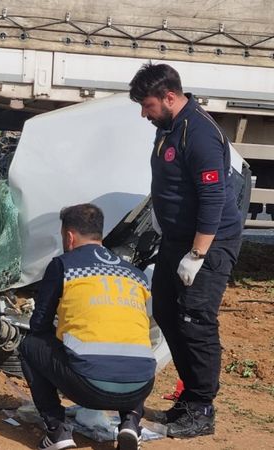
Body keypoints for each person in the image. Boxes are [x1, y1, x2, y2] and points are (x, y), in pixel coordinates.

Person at [129, 63, 243, 438]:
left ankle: (202, 408)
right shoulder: (168, 128)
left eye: (147, 105)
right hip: (176, 241)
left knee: (195, 321)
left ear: (169, 97)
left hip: (208, 244)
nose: (143, 114)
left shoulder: (200, 134)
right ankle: (189, 399)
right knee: (164, 310)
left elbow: (213, 198)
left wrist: (196, 256)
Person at [19, 204, 155, 450]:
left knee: (30, 345)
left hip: (89, 388)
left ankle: (57, 432)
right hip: (140, 385)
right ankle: (131, 423)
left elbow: (39, 325)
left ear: (69, 236)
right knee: (129, 344)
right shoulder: (135, 274)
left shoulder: (64, 265)